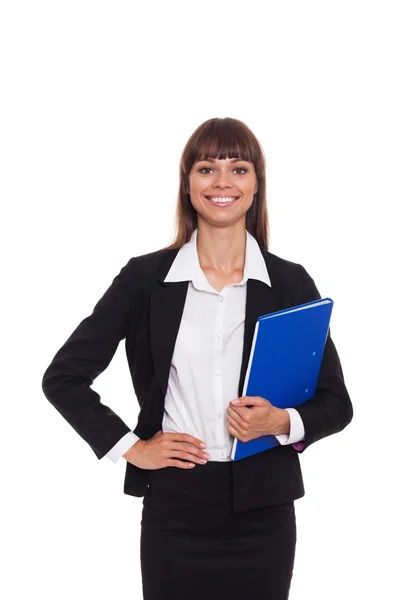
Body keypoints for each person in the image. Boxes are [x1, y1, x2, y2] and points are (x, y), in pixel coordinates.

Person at [42, 117, 353, 600]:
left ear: (256, 186)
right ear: (188, 184)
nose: (223, 182)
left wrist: (279, 421)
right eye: (207, 168)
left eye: (239, 168)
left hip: (263, 512)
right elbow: (63, 378)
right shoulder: (145, 279)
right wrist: (133, 447)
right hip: (175, 505)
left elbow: (336, 403)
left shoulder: (290, 283)